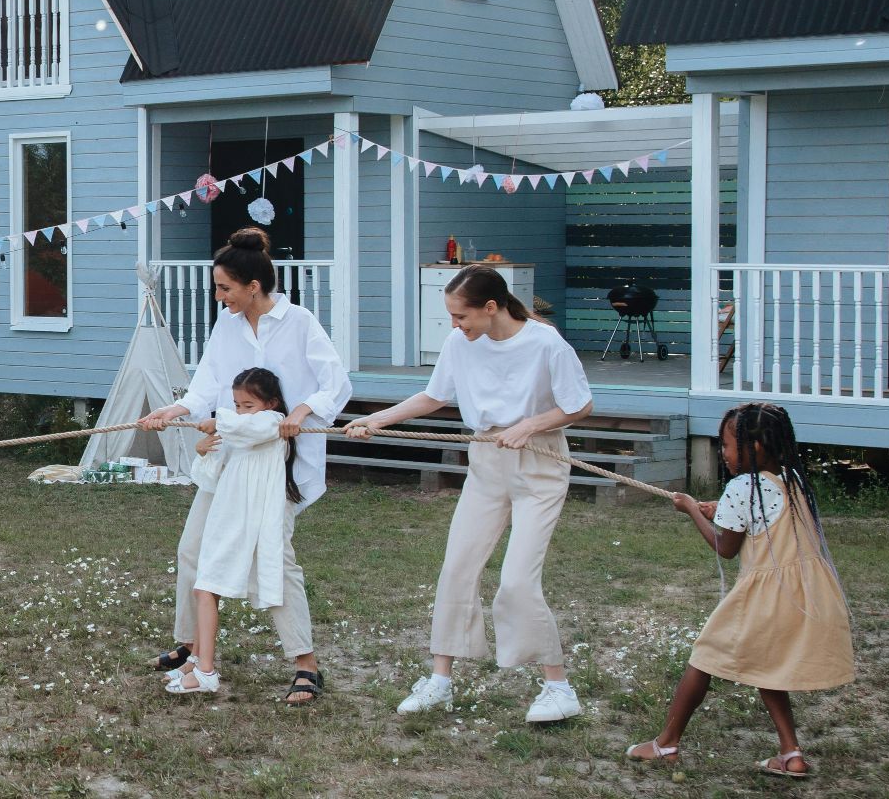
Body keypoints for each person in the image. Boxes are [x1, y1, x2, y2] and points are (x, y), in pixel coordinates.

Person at [344, 264, 593, 723]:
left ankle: (559, 687)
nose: (455, 327)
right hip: (486, 462)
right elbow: (434, 396)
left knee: (517, 581)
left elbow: (579, 404)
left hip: (539, 464)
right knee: (457, 568)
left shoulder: (545, 343)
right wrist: (376, 420)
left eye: (462, 317)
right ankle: (440, 680)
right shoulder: (461, 343)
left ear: (492, 307)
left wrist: (530, 425)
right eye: (452, 318)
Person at [138, 227, 350, 706]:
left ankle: (305, 665)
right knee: (192, 548)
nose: (218, 297)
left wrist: (301, 411)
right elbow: (205, 386)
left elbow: (335, 381)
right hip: (226, 462)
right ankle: (193, 649)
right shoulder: (226, 327)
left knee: (274, 558)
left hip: (278, 463)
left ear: (253, 286)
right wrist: (174, 411)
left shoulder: (299, 322)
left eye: (224, 288)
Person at [626, 403, 853, 779]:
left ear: (757, 446)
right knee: (768, 667)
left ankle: (666, 742)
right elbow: (759, 520)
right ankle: (791, 753)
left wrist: (693, 512)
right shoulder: (791, 479)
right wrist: (719, 510)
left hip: (767, 595)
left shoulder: (742, 486)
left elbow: (726, 548)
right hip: (806, 593)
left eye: (728, 445)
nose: (724, 453)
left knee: (704, 655)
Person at [166, 369, 298, 695]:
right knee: (204, 588)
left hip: (246, 520)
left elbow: (247, 426)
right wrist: (204, 450)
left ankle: (206, 671)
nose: (241, 411)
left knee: (207, 587)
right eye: (236, 404)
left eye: (248, 405)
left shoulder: (272, 425)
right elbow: (210, 478)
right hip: (224, 519)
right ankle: (199, 661)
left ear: (271, 403)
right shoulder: (239, 433)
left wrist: (220, 421)